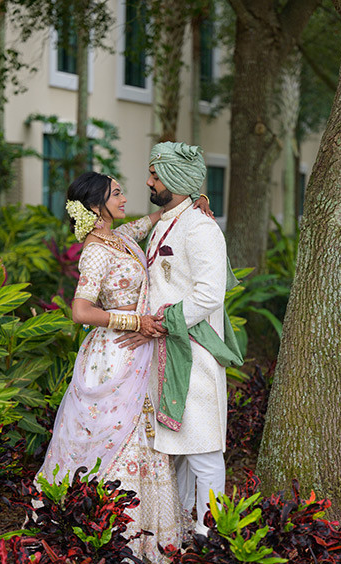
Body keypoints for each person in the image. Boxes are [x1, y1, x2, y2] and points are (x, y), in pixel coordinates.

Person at [35, 171, 212, 564]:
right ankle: (106, 538)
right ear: (96, 205)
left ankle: (146, 538)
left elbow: (151, 220)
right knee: (115, 439)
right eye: (116, 193)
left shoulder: (121, 237)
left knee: (144, 440)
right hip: (112, 357)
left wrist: (192, 201)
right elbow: (81, 311)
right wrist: (136, 322)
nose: (125, 196)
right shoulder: (97, 250)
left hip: (138, 353)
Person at [115, 142, 243, 538]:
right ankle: (184, 529)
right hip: (164, 348)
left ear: (174, 180)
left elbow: (209, 294)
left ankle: (211, 539)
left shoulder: (201, 227)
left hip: (195, 351)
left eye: (155, 175)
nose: (149, 181)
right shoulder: (169, 220)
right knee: (179, 449)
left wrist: (159, 323)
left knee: (203, 449)